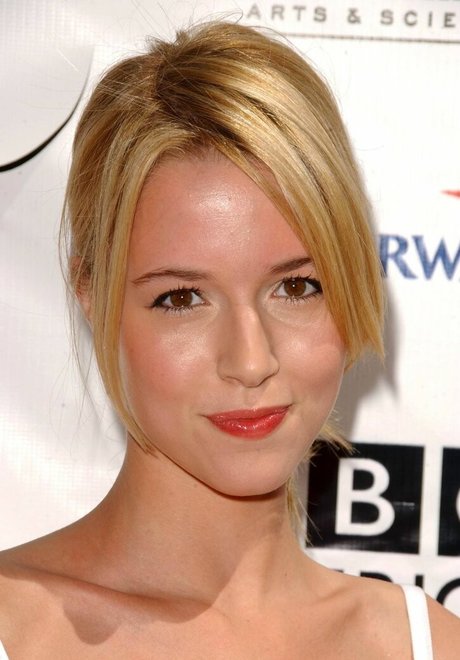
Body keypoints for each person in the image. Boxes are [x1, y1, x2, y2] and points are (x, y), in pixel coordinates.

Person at [0, 20, 458, 659]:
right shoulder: (16, 625)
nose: (250, 360)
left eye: (296, 287)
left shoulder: (427, 643)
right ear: (91, 295)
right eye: (182, 298)